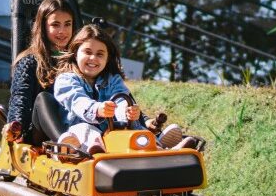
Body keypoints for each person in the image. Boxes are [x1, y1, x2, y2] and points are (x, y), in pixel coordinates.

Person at [54, 24, 197, 154]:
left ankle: (162, 151)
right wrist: (97, 109)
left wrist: (127, 112)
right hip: (79, 131)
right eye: (87, 52)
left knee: (134, 129)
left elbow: (121, 97)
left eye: (100, 54)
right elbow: (77, 101)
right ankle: (96, 151)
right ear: (75, 53)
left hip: (111, 133)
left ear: (107, 58)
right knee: (86, 130)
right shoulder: (66, 80)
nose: (93, 58)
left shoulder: (112, 80)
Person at [3, 0, 74, 144]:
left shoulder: (78, 59)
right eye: (55, 25)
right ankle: (65, 143)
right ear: (43, 27)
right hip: (39, 133)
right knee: (43, 99)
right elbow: (20, 97)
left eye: (67, 24)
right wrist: (16, 124)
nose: (62, 31)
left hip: (75, 125)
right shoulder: (30, 61)